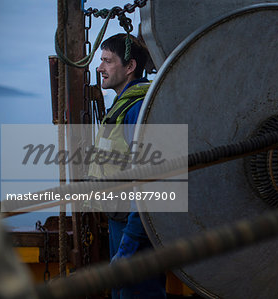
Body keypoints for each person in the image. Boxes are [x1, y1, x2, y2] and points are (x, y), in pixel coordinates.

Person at [88, 33, 166, 299]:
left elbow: (148, 184)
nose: (100, 68)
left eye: (107, 61)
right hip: (121, 225)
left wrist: (127, 249)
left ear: (130, 66)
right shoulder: (123, 105)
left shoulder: (138, 110)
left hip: (136, 231)